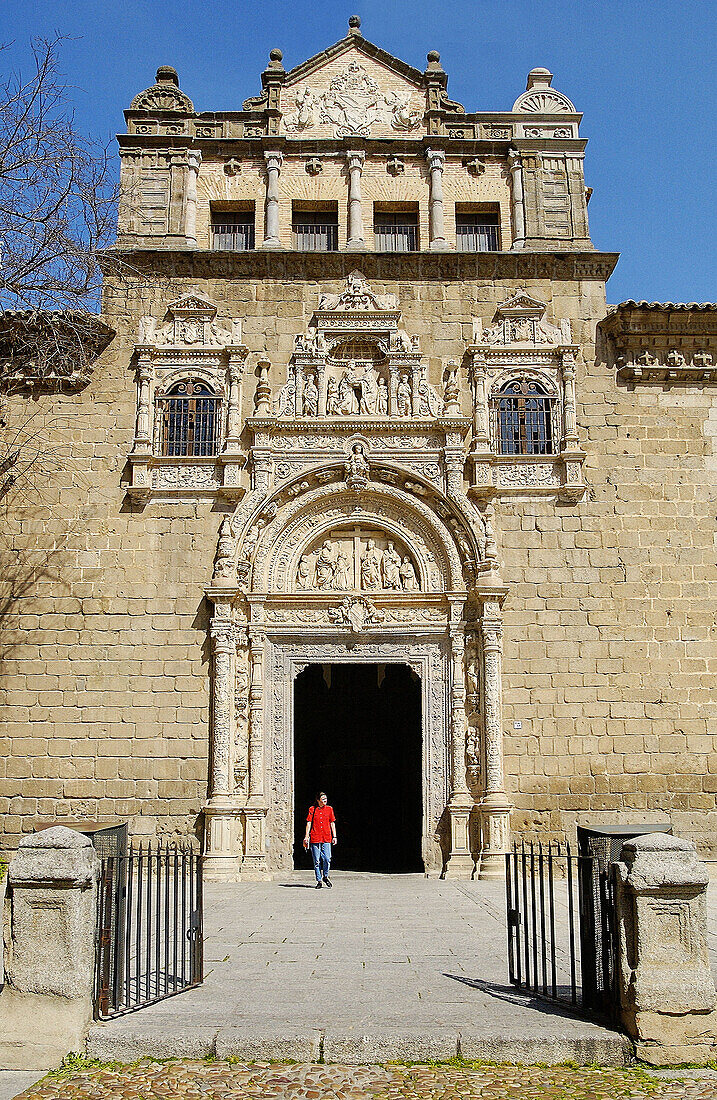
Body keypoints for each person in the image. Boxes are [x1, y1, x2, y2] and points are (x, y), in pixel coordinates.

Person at [303, 791, 337, 889]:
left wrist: (334, 836)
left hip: (326, 837)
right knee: (316, 861)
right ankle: (319, 880)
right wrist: (306, 836)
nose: (325, 801)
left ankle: (325, 876)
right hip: (315, 837)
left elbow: (332, 823)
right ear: (318, 800)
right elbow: (309, 823)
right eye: (323, 799)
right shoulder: (312, 809)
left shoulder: (329, 809)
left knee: (327, 858)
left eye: (326, 799)